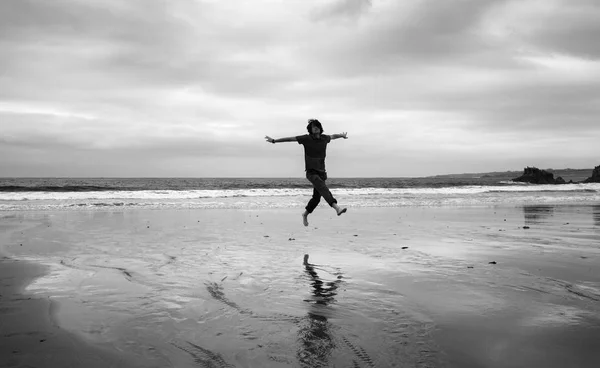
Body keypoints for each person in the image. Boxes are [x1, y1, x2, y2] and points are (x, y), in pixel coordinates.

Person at [265, 119, 348, 226]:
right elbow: (290, 139)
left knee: (316, 198)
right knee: (322, 186)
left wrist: (341, 136)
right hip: (311, 172)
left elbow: (333, 136)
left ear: (320, 127)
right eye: (313, 126)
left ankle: (305, 214)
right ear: (310, 129)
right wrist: (274, 141)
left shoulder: (324, 138)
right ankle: (336, 208)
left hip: (322, 172)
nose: (315, 127)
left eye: (317, 126)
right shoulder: (306, 138)